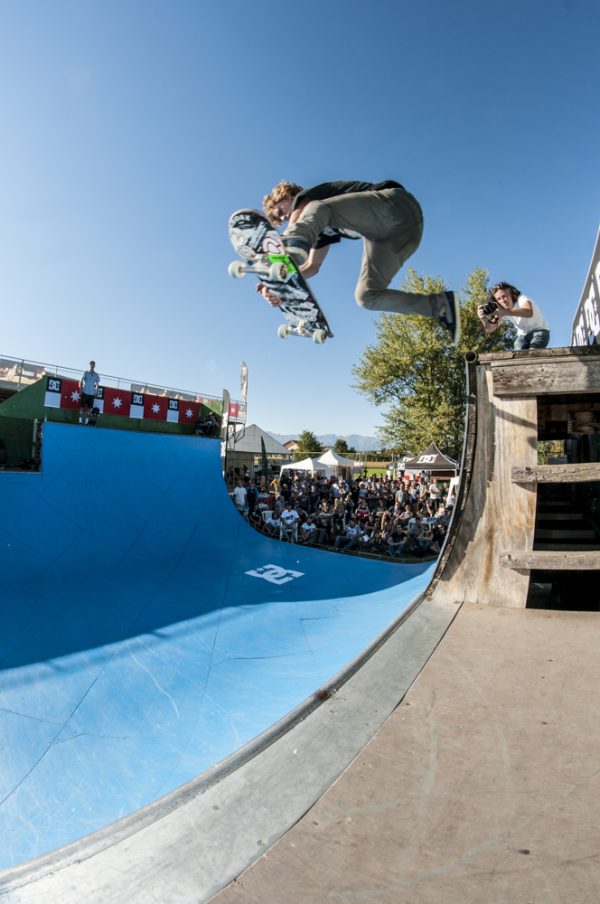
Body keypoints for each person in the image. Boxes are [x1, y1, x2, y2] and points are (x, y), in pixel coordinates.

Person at [260, 179, 460, 344]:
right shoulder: (317, 226)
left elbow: (298, 220)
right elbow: (312, 267)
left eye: (281, 211)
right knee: (366, 296)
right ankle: (441, 306)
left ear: (287, 196)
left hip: (395, 206)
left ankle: (292, 244)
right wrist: (281, 282)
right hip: (403, 236)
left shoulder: (307, 200)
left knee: (310, 215)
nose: (285, 218)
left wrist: (278, 262)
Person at [478, 282, 550, 350]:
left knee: (532, 352)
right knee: (518, 354)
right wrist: (483, 319)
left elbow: (529, 312)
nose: (502, 301)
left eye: (504, 296)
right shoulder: (502, 309)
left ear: (512, 294)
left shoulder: (521, 298)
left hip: (540, 331)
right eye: (499, 299)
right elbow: (490, 329)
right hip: (523, 335)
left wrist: (504, 312)